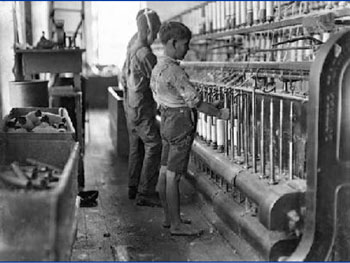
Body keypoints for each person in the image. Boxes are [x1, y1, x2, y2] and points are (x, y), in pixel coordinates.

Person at [150, 21, 230, 236]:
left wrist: (210, 104)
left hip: (166, 120)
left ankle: (168, 218)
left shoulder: (158, 68)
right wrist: (220, 114)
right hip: (180, 124)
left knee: (165, 170)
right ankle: (176, 225)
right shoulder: (175, 71)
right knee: (174, 176)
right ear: (173, 43)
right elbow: (195, 103)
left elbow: (171, 97)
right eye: (186, 44)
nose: (188, 48)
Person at [121, 8, 162, 206]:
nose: (155, 38)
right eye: (155, 33)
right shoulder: (146, 54)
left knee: (136, 146)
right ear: (148, 31)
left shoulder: (132, 45)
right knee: (154, 145)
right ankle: (145, 193)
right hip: (142, 107)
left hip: (130, 103)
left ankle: (133, 186)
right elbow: (159, 81)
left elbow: (123, 75)